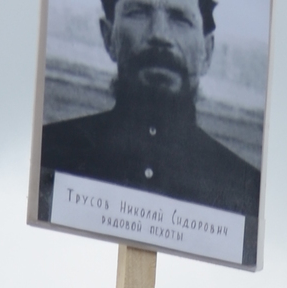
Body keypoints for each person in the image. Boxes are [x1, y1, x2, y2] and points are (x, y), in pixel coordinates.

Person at [36, 0, 262, 268]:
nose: (159, 35)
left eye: (180, 18)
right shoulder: (48, 152)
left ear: (207, 52)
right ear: (109, 37)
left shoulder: (247, 190)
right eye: (138, 12)